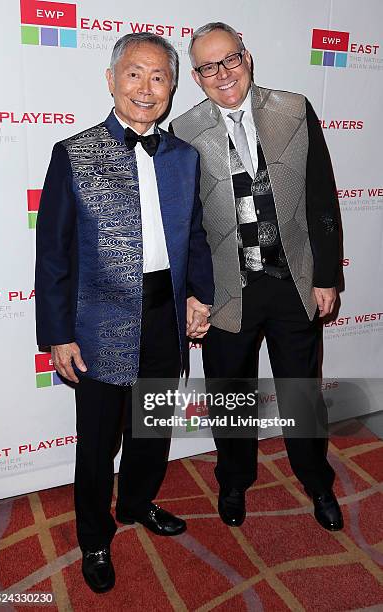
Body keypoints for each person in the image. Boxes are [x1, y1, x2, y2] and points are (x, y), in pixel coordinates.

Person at [35, 32, 214, 594]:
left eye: (159, 76)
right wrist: (58, 334)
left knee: (152, 427)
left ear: (172, 87)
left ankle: (138, 503)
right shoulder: (74, 152)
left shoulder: (185, 156)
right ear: (111, 81)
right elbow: (54, 254)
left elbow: (197, 237)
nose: (146, 87)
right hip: (97, 321)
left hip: (164, 313)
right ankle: (94, 537)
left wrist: (198, 294)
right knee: (96, 443)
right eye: (133, 74)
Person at [171, 22, 343, 532]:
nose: (223, 74)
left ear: (248, 57)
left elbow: (321, 196)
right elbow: (183, 226)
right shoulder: (182, 132)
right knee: (230, 395)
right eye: (208, 67)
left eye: (230, 60)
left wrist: (327, 273)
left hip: (293, 282)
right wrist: (193, 296)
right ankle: (233, 479)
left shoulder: (293, 108)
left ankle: (317, 482)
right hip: (226, 290)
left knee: (301, 394)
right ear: (196, 77)